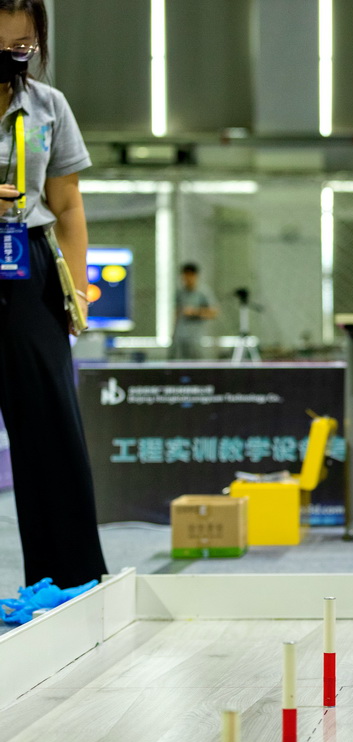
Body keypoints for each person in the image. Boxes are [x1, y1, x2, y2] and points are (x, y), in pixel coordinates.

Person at [0, 0, 107, 588]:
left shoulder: (48, 106)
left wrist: (78, 291)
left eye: (23, 48)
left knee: (51, 426)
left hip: (29, 264)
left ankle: (70, 583)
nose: (12, 59)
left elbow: (66, 204)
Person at [170, 262, 217, 360]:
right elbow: (176, 313)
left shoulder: (203, 292)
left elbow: (213, 312)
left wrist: (195, 312)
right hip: (180, 337)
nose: (187, 278)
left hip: (196, 338)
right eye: (185, 275)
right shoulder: (179, 293)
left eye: (190, 275)